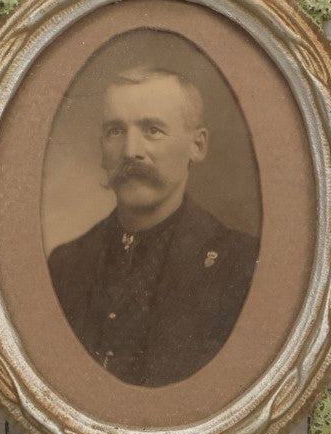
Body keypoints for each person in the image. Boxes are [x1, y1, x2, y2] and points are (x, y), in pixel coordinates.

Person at [47, 66, 259, 387]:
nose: (131, 151)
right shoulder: (65, 264)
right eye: (116, 131)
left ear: (197, 145)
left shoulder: (242, 265)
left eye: (153, 130)